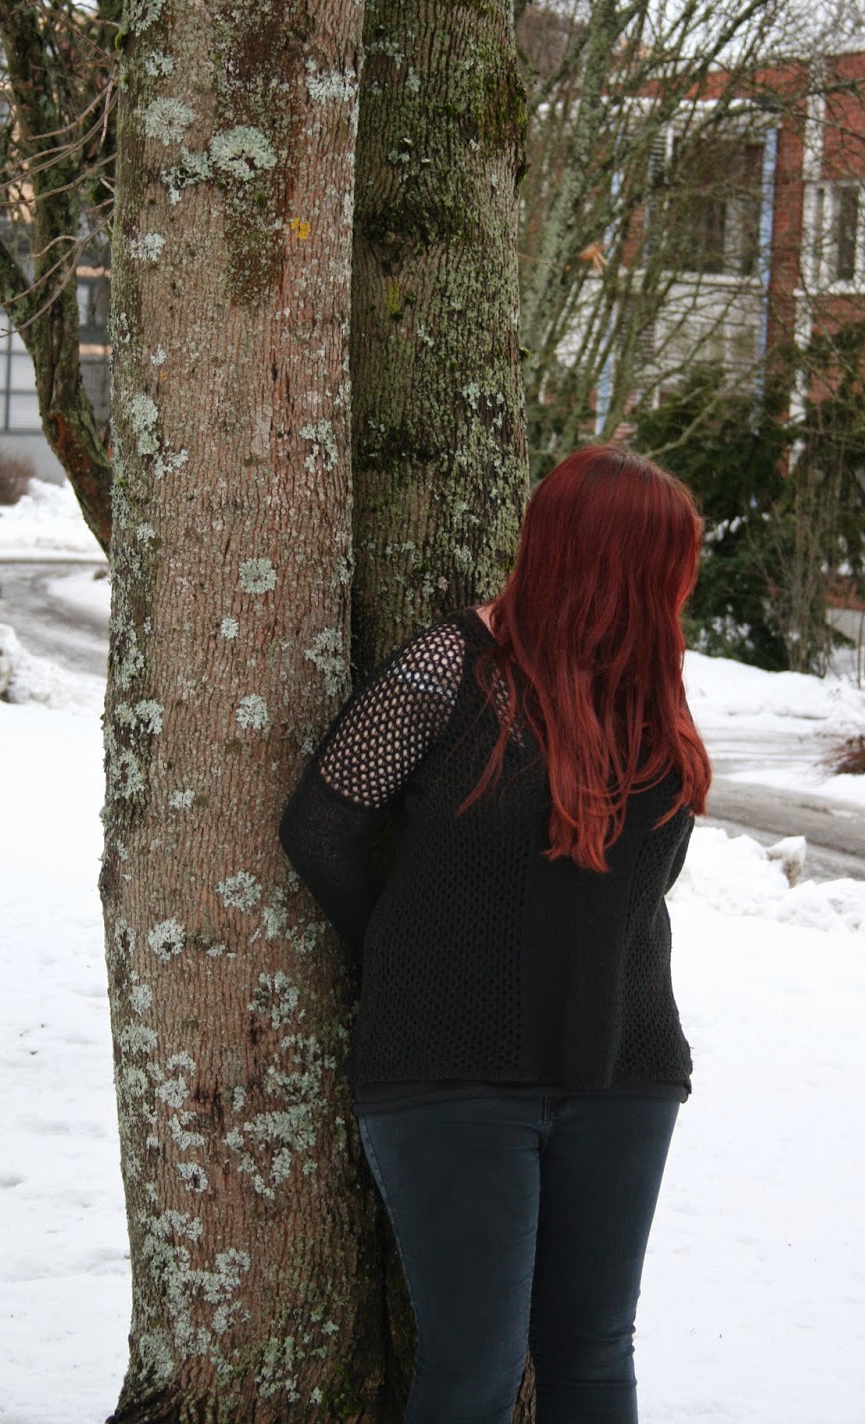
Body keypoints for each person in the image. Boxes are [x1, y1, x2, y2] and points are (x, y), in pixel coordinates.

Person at [279, 442, 711, 1424]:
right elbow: (321, 824)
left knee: (592, 1356)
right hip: (451, 1073)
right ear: (618, 561)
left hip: (622, 1071)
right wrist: (408, 951)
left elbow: (643, 885)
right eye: (672, 562)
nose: (682, 585)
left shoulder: (654, 697)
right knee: (476, 1367)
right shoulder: (451, 668)